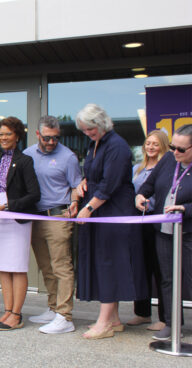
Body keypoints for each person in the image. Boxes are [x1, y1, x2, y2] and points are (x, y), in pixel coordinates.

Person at [75, 104, 147, 340]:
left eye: (90, 129)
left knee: (108, 263)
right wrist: (82, 183)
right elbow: (94, 174)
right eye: (84, 130)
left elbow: (109, 184)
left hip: (113, 210)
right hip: (99, 209)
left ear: (101, 123)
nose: (87, 133)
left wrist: (88, 207)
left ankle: (104, 322)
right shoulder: (94, 143)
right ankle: (114, 319)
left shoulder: (117, 146)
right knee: (101, 260)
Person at [23, 116, 81, 334]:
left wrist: (75, 202)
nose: (51, 142)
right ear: (38, 134)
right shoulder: (28, 154)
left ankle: (65, 316)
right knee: (46, 267)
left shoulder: (68, 157)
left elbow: (76, 186)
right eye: (47, 138)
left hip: (58, 216)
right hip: (35, 217)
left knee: (61, 266)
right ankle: (53, 307)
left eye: (56, 138)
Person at [136, 124, 192, 341]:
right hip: (164, 231)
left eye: (181, 149)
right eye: (173, 147)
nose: (175, 152)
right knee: (167, 279)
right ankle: (171, 323)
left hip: (188, 231)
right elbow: (147, 186)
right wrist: (140, 197)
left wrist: (185, 208)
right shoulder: (169, 159)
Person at [0, 117, 40, 331]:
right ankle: (7, 311)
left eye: (8, 134)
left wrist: (9, 205)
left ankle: (17, 314)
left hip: (15, 215)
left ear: (18, 136)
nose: (3, 138)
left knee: (17, 267)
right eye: (0, 134)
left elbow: (35, 194)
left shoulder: (25, 161)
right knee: (3, 266)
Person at [127, 130, 169, 331]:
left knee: (161, 271)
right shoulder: (137, 168)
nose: (151, 147)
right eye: (148, 143)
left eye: (155, 144)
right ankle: (142, 313)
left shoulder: (167, 169)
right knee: (140, 268)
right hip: (138, 223)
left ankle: (165, 318)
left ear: (163, 146)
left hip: (158, 223)